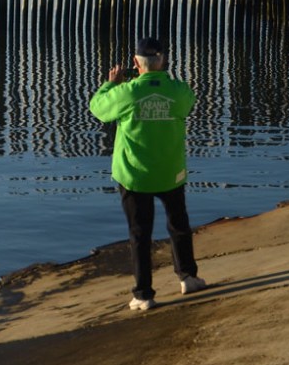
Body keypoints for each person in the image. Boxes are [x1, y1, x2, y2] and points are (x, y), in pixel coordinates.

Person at [88, 37, 206, 312]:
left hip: (134, 174)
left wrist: (111, 83)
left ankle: (143, 295)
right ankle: (188, 276)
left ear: (135, 63)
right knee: (179, 223)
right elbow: (188, 104)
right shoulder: (177, 90)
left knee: (140, 233)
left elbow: (98, 108)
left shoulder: (127, 92)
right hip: (170, 170)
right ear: (163, 60)